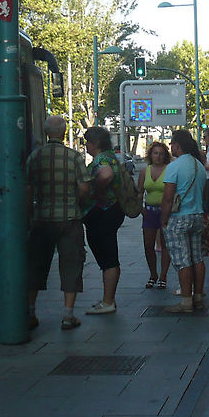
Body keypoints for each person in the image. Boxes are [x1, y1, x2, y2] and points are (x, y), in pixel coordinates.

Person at [26, 115, 92, 330]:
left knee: (36, 264)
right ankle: (67, 314)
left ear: (46, 133)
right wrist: (75, 201)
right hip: (69, 218)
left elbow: (27, 189)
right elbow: (84, 188)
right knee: (71, 264)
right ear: (64, 132)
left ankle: (30, 312)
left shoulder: (34, 157)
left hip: (42, 218)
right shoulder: (74, 157)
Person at [161, 129, 208, 313]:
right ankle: (198, 296)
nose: (171, 147)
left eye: (172, 144)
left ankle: (186, 301)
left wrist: (163, 219)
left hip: (178, 218)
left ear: (177, 145)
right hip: (197, 216)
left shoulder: (174, 166)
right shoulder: (199, 165)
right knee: (197, 257)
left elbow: (167, 197)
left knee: (183, 260)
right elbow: (205, 194)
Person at [82, 126, 125, 314]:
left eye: (87, 142)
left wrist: (97, 193)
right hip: (112, 211)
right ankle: (108, 299)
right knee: (110, 255)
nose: (86, 146)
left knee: (108, 258)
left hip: (103, 212)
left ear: (95, 143)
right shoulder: (111, 156)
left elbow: (106, 175)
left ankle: (108, 302)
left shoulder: (102, 159)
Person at [138, 141, 172, 290]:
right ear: (150, 155)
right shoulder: (145, 171)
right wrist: (140, 207)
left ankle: (163, 276)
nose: (158, 156)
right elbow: (139, 191)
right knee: (148, 245)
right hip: (149, 211)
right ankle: (153, 274)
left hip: (165, 212)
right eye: (155, 153)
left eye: (161, 154)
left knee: (165, 245)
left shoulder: (169, 170)